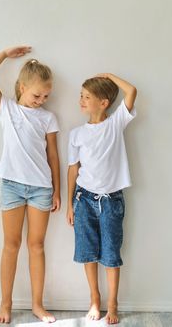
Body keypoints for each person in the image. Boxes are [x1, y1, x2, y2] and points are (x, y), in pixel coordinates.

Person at [0, 46, 61, 324]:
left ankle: (38, 305)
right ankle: (6, 304)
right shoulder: (7, 110)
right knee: (10, 245)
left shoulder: (48, 118)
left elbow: (53, 156)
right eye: (37, 94)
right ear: (22, 87)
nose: (41, 100)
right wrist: (3, 54)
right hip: (12, 186)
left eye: (46, 96)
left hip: (41, 189)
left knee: (36, 246)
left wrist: (57, 191)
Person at [67, 73, 137, 324]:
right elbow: (73, 169)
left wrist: (108, 76)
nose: (81, 100)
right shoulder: (76, 134)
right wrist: (70, 205)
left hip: (111, 200)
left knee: (110, 253)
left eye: (87, 97)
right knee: (88, 252)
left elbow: (131, 92)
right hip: (83, 199)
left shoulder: (116, 123)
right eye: (81, 95)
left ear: (104, 102)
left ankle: (112, 304)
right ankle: (94, 298)